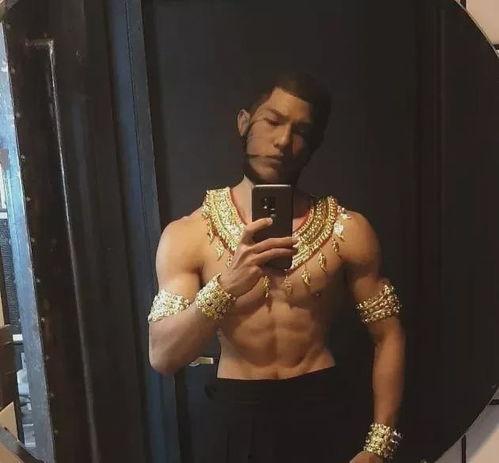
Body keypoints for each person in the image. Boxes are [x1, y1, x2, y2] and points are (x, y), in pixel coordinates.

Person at [148, 71, 406, 463]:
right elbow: (163, 356)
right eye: (272, 121)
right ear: (244, 122)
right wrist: (224, 288)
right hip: (239, 414)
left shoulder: (348, 229)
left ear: (313, 144)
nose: (284, 141)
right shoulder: (188, 234)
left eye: (301, 131)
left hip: (323, 408)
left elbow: (389, 335)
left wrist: (379, 446)